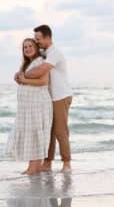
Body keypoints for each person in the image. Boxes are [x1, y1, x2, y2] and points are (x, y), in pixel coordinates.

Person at [17, 25, 73, 172]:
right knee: (48, 131)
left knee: (60, 130)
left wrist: (23, 76)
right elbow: (31, 60)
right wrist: (20, 73)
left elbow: (41, 71)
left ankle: (67, 163)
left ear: (48, 37)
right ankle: (47, 163)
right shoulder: (44, 52)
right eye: (35, 38)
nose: (36, 42)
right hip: (49, 97)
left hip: (60, 96)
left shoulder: (54, 53)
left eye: (38, 39)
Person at [7, 38, 52, 175]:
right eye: (25, 47)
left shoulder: (41, 62)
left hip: (37, 105)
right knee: (31, 135)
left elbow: (44, 82)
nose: (27, 49)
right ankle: (34, 167)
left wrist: (25, 80)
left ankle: (34, 168)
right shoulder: (27, 64)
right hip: (28, 107)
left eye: (30, 46)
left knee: (35, 134)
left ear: (36, 47)